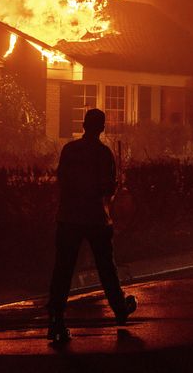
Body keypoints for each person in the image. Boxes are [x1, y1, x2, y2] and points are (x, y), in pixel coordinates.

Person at [46, 108, 137, 343]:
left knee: (63, 270)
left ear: (84, 126)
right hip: (96, 218)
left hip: (68, 218)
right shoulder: (104, 154)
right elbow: (107, 188)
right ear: (102, 128)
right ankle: (119, 309)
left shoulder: (70, 150)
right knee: (106, 267)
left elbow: (62, 180)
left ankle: (56, 317)